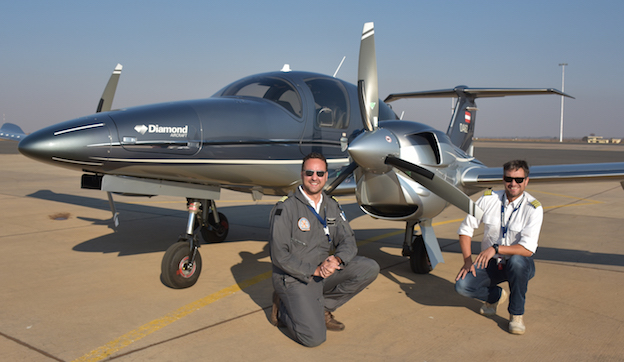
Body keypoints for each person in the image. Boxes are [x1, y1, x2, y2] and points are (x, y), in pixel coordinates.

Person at [269, 152, 379, 347]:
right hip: (294, 278)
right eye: (310, 172)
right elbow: (279, 255)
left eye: (320, 173)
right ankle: (284, 310)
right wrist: (315, 270)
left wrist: (336, 260)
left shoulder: (331, 206)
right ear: (302, 174)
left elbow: (348, 241)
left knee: (368, 268)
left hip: (323, 271)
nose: (315, 178)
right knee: (313, 338)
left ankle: (321, 307)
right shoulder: (286, 208)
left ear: (326, 176)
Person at [455, 160, 543, 335]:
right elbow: (466, 229)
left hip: (519, 264)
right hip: (491, 263)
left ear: (526, 181)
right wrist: (467, 261)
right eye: (508, 179)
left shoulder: (533, 208)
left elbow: (527, 249)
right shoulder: (488, 199)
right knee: (462, 286)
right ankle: (496, 296)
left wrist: (496, 248)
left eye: (519, 180)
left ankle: (516, 315)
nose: (513, 184)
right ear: (503, 179)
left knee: (517, 262)